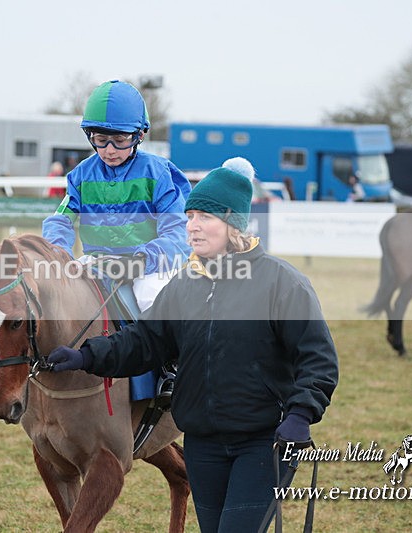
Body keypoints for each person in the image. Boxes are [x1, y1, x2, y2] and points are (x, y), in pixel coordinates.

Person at [47, 161, 339, 533]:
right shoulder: (184, 286)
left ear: (233, 222)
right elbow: (144, 343)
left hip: (264, 442)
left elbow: (319, 360)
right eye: (189, 216)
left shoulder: (283, 283)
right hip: (202, 444)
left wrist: (300, 415)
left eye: (204, 216)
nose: (192, 226)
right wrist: (86, 355)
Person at [42, 79, 191, 402]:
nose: (109, 149)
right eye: (100, 139)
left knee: (152, 296)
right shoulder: (80, 175)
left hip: (148, 265)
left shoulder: (158, 172)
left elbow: (178, 231)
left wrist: (142, 259)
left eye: (119, 140)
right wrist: (59, 252)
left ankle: (173, 369)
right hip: (97, 262)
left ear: (139, 136)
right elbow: (61, 219)